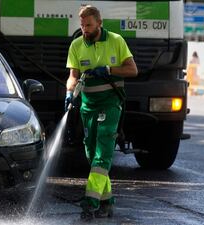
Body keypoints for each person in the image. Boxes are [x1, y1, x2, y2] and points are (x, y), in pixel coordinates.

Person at [64, 5, 138, 221]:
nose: (85, 29)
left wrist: (107, 70)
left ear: (99, 23)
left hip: (111, 103)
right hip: (87, 106)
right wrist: (69, 92)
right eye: (82, 25)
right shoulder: (77, 45)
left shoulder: (116, 41)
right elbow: (73, 75)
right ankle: (107, 202)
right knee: (91, 154)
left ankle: (91, 201)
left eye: (89, 25)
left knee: (103, 151)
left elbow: (133, 70)